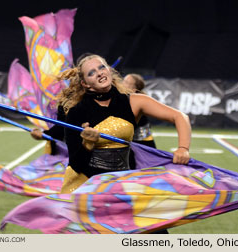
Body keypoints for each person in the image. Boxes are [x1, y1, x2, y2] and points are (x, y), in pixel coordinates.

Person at [55, 54, 191, 192]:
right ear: (86, 84)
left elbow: (179, 116)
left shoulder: (134, 102)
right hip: (85, 188)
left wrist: (183, 149)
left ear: (109, 70)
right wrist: (87, 144)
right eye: (91, 73)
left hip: (119, 186)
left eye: (102, 67)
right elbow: (76, 165)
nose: (99, 73)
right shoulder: (76, 112)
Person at [123, 73, 157, 148]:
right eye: (123, 80)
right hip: (131, 141)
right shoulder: (122, 98)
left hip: (142, 142)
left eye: (126, 82)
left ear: (133, 90)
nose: (122, 84)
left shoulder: (138, 101)